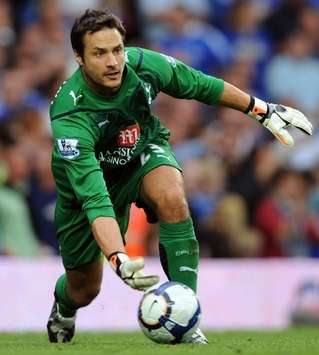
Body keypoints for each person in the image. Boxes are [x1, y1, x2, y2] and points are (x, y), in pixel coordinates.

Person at [47, 8, 312, 344]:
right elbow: (95, 198)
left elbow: (198, 84)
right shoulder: (70, 116)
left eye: (117, 49)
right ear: (79, 58)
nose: (113, 61)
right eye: (99, 53)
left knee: (173, 197)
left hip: (142, 154)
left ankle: (185, 313)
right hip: (91, 184)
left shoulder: (141, 64)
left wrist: (261, 109)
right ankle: (64, 307)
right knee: (85, 288)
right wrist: (119, 256)